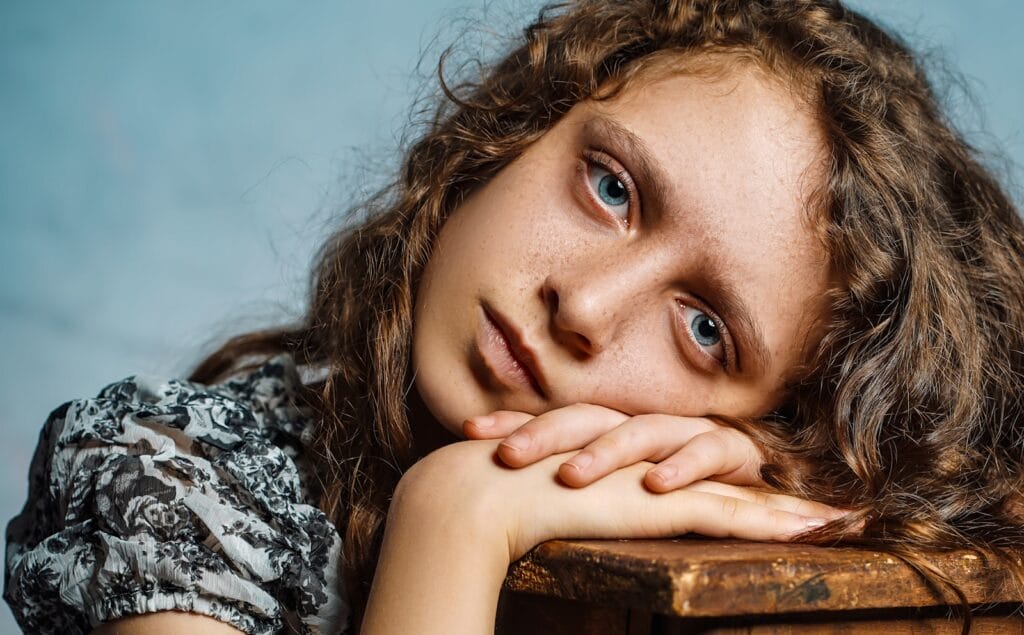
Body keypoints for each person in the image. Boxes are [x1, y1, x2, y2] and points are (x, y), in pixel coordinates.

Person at [6, 0, 1024, 633]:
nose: (581, 305)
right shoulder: (167, 473)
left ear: (763, 427)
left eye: (705, 327)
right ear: (511, 135)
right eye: (611, 187)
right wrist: (454, 521)